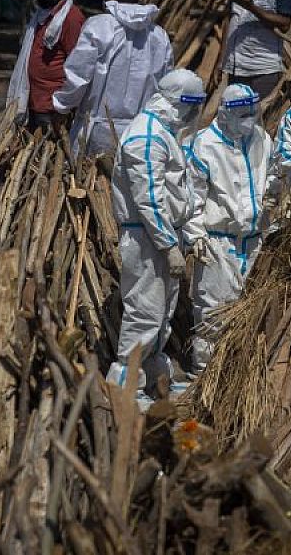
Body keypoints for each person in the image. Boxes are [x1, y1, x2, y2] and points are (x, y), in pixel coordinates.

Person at [109, 68, 205, 408]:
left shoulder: (161, 133)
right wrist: (167, 245)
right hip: (147, 238)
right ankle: (125, 385)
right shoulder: (146, 136)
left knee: (162, 312)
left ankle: (150, 378)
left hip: (161, 236)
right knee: (145, 310)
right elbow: (149, 198)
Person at [184, 83, 277, 369]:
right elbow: (192, 197)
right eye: (242, 114)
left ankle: (239, 374)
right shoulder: (204, 145)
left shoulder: (261, 138)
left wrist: (273, 201)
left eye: (252, 112)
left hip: (255, 240)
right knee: (213, 311)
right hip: (217, 242)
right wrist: (195, 234)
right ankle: (206, 376)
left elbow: (272, 176)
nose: (249, 119)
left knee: (251, 312)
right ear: (224, 114)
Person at [53, 0, 172, 156]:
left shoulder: (98, 27)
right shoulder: (159, 36)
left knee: (91, 182)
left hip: (98, 131)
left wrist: (61, 107)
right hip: (141, 133)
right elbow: (166, 86)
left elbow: (78, 76)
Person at [7, 0, 86, 131]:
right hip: (34, 101)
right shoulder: (39, 16)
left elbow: (79, 66)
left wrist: (65, 108)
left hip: (53, 106)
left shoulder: (70, 19)